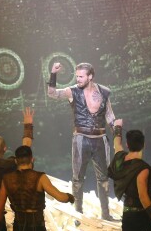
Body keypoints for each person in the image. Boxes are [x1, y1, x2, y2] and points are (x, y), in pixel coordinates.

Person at [47, 62, 119, 220]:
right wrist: (53, 74)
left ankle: (105, 214)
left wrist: (117, 131)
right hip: (81, 139)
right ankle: (77, 213)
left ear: (90, 76)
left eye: (81, 76)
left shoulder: (104, 92)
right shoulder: (72, 91)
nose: (77, 79)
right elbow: (52, 93)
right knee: (78, 178)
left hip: (100, 139)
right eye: (77, 76)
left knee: (104, 177)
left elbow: (109, 115)